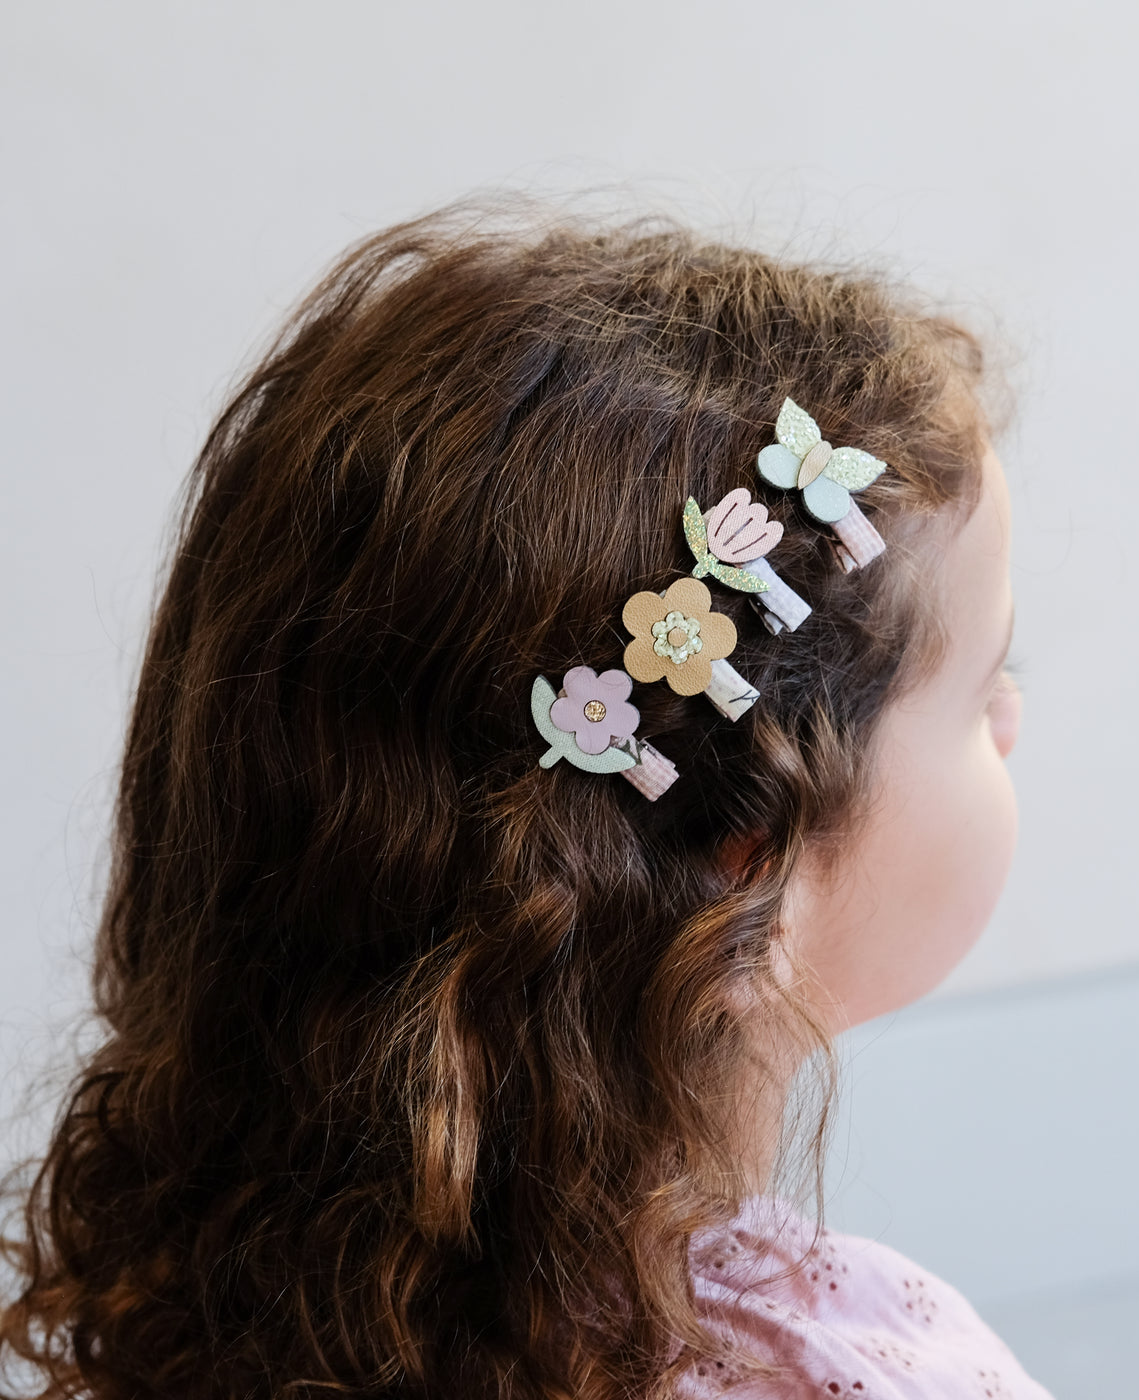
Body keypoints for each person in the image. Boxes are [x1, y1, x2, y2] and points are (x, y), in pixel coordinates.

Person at [1, 204, 1045, 1399]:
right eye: (982, 684)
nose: (1012, 716)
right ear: (748, 868)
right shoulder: (859, 1367)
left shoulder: (208, 1294)